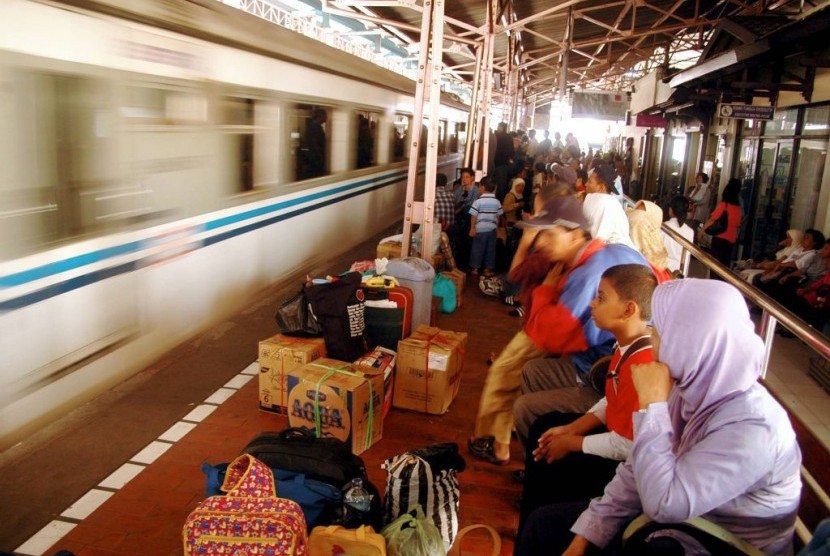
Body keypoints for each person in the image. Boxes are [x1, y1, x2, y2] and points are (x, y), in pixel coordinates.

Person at [516, 279, 802, 556]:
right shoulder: (692, 388)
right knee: (544, 526)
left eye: (658, 332)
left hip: (716, 543)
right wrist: (587, 534)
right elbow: (634, 470)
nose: (649, 338)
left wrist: (652, 405)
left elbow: (664, 504)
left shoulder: (754, 427)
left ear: (691, 342)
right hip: (678, 527)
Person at [518, 264, 657, 531]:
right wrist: (573, 428)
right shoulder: (628, 344)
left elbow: (628, 444)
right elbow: (611, 396)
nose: (593, 304)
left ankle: (540, 524)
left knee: (554, 463)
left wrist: (574, 443)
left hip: (625, 465)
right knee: (544, 428)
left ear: (629, 309)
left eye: (602, 297)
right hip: (616, 437)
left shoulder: (644, 362)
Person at [510, 199, 652, 452]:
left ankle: (546, 455)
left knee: (523, 404)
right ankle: (540, 454)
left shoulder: (587, 272)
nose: (540, 243)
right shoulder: (619, 251)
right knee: (532, 369)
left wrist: (545, 292)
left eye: (549, 235)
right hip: (603, 368)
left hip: (596, 373)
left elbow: (554, 336)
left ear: (575, 235)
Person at [468, 191, 564, 465]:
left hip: (539, 329)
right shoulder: (572, 250)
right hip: (543, 327)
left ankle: (493, 442)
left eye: (539, 214)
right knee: (518, 384)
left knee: (501, 377)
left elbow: (515, 274)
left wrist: (529, 236)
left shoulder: (550, 251)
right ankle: (501, 440)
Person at [627, 200, 672, 281]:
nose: (635, 218)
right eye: (635, 213)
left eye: (642, 216)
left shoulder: (658, 271)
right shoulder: (620, 251)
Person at [702, 177, 742, 268]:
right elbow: (738, 224)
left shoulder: (724, 205)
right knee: (725, 265)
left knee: (715, 265)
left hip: (720, 238)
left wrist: (702, 231)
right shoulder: (738, 208)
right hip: (731, 239)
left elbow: (712, 219)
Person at [468, 178, 503, 277]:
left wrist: (472, 228)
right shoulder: (497, 202)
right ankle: (487, 270)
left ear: (482, 187)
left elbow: (473, 215)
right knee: (490, 250)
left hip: (480, 230)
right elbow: (498, 216)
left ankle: (475, 269)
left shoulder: (478, 202)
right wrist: (496, 228)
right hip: (492, 230)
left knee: (477, 249)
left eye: (479, 187)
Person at [451, 167, 479, 270]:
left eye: (467, 177)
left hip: (470, 219)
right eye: (463, 177)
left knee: (468, 243)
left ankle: (467, 265)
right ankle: (459, 265)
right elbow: (454, 201)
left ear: (472, 178)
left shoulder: (476, 190)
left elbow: (474, 207)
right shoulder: (459, 189)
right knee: (459, 242)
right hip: (459, 219)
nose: (464, 179)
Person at [662, 195, 695, 276]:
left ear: (671, 210)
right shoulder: (690, 231)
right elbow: (687, 257)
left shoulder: (663, 227)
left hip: (664, 272)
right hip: (680, 274)